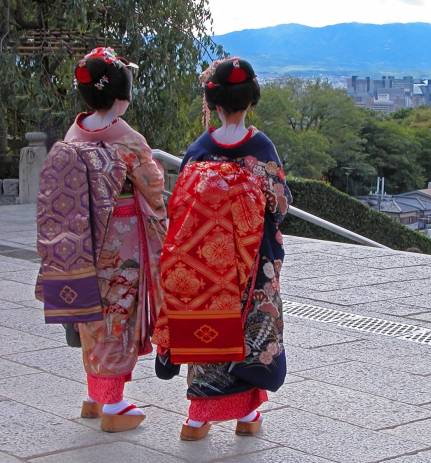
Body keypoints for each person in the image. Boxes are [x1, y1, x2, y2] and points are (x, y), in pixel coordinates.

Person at [153, 57, 291, 441]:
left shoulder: (199, 149)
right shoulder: (261, 148)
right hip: (252, 263)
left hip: (202, 267)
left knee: (207, 332)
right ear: (251, 101)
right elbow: (279, 206)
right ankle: (247, 415)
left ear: (213, 104)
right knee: (251, 334)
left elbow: (179, 205)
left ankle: (198, 418)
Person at [36, 47, 166, 432]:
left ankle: (95, 396)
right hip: (120, 237)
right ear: (121, 95)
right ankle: (113, 405)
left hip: (79, 236)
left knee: (92, 315)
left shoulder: (74, 132)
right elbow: (154, 186)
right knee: (117, 315)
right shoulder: (127, 138)